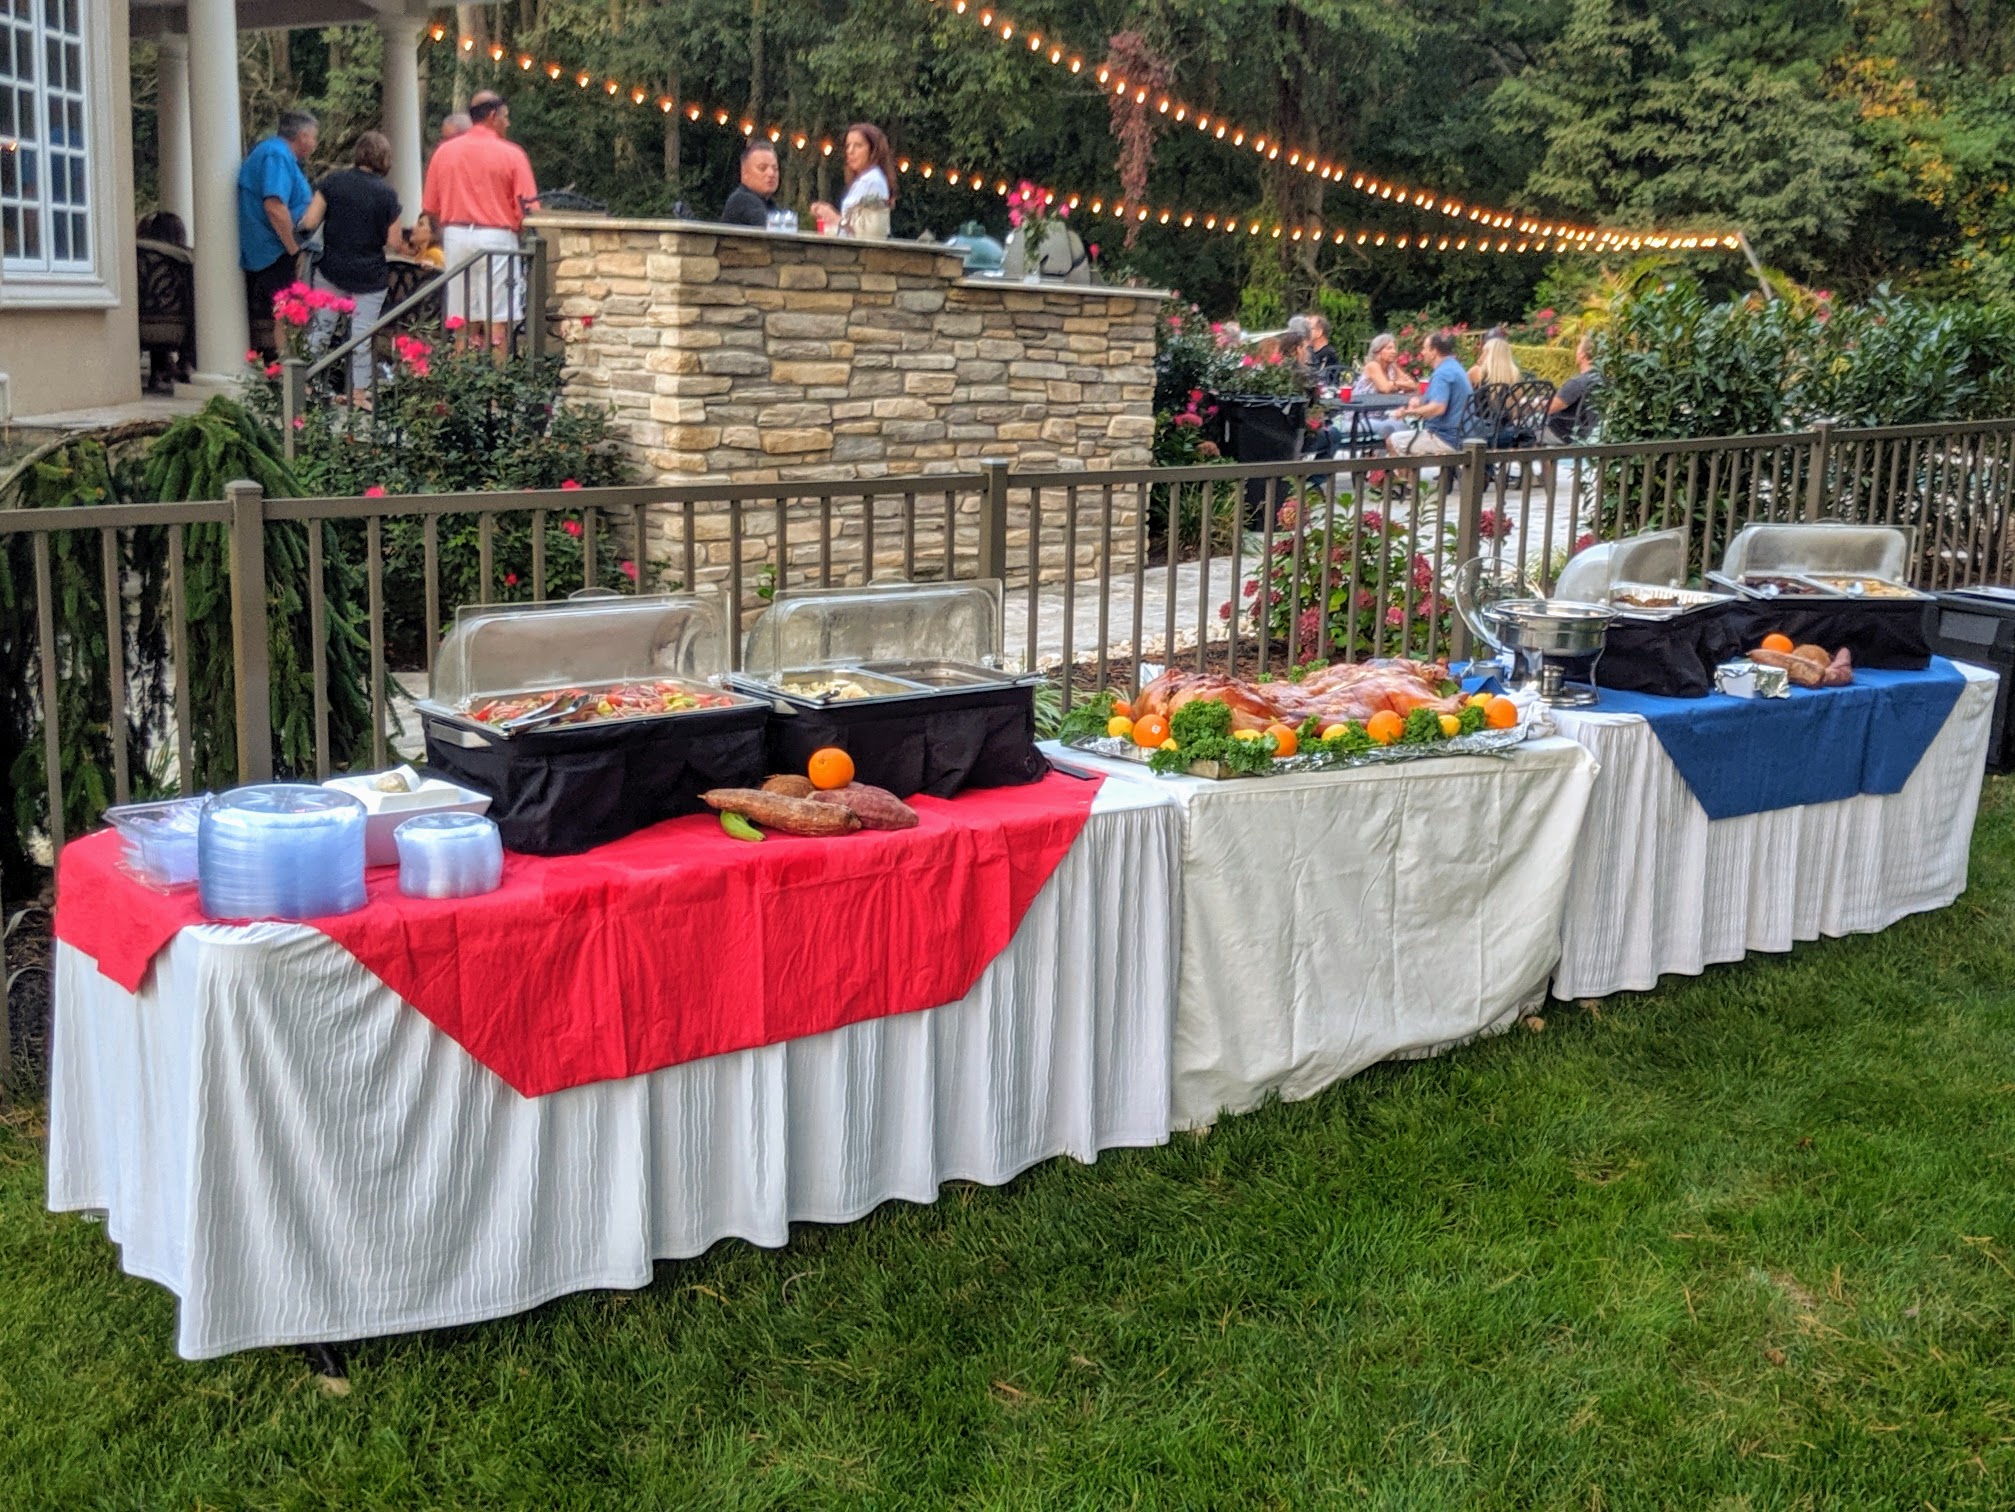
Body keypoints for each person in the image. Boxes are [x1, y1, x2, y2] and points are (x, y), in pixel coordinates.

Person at [422, 90, 539, 356]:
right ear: (492, 115)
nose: (508, 123)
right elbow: (529, 207)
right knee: (497, 323)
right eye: (506, 117)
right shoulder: (512, 154)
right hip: (497, 237)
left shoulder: (444, 152)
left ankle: (461, 389)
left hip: (456, 236)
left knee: (461, 321)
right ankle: (497, 392)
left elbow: (430, 206)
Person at [306, 130, 405, 404]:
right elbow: (394, 241)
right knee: (361, 334)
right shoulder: (387, 195)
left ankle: (307, 383)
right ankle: (359, 392)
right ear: (384, 158)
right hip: (369, 274)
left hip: (331, 268)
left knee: (321, 327)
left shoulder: (333, 181)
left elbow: (311, 220)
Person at [238, 109, 320, 352]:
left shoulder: (275, 153)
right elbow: (274, 205)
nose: (315, 144)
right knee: (289, 314)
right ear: (303, 136)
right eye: (314, 137)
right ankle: (289, 373)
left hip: (276, 249)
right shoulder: (276, 154)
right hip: (274, 252)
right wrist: (294, 249)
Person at [1385, 330, 1473, 457]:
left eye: (1425, 348)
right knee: (1408, 437)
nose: (1422, 352)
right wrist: (1420, 403)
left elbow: (1438, 408)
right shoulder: (1454, 367)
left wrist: (1407, 413)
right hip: (1464, 434)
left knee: (1393, 441)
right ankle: (1411, 476)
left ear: (1434, 352)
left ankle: (1404, 478)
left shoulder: (1442, 373)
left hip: (1447, 438)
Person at [809, 123, 895, 238]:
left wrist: (835, 218)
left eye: (858, 146)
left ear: (873, 150)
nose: (850, 151)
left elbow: (870, 233)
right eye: (848, 146)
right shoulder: (861, 181)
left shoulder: (873, 181)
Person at [1547, 334, 1600, 441]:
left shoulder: (1577, 383)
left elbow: (1549, 408)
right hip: (1594, 430)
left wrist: (1535, 403)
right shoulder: (1601, 378)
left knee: (1528, 430)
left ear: (1583, 355)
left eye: (1578, 350)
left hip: (1568, 433)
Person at [720, 140, 784, 229]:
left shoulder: (770, 205)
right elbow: (776, 235)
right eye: (762, 168)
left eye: (775, 168)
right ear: (745, 172)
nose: (771, 173)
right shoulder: (741, 200)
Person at [1306, 314, 1342, 388]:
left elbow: (1323, 380)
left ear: (1319, 332)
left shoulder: (1328, 354)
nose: (1304, 332)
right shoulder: (1310, 351)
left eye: (1308, 329)